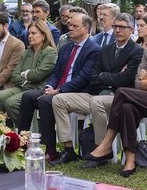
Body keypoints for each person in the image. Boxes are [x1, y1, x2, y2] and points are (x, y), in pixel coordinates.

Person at [82, 12, 147, 177]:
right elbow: (139, 83)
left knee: (123, 92)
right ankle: (130, 160)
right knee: (126, 107)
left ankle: (106, 143)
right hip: (145, 98)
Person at [52, 13, 143, 159]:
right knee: (59, 100)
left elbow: (125, 79)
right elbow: (93, 77)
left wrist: (104, 76)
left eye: (122, 27)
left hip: (121, 97)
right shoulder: (106, 49)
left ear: (132, 29)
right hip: (97, 94)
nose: (117, 30)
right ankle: (68, 149)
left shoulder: (137, 51)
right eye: (115, 27)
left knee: (96, 102)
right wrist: (110, 77)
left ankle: (101, 149)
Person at [16, 13, 102, 162]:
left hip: (79, 92)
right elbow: (56, 73)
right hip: (57, 90)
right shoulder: (66, 48)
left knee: (45, 101)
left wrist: (59, 91)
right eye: (69, 25)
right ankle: (22, 142)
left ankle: (50, 149)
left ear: (86, 28)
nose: (70, 29)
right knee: (28, 96)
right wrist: (50, 86)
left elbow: (83, 78)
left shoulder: (94, 49)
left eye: (75, 26)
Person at [0, 21, 58, 124]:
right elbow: (14, 76)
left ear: (43, 35)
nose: (30, 36)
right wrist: (27, 77)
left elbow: (38, 75)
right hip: (22, 87)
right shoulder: (26, 52)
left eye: (34, 33)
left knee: (11, 103)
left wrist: (25, 74)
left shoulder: (50, 52)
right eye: (29, 33)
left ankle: (24, 132)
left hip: (37, 89)